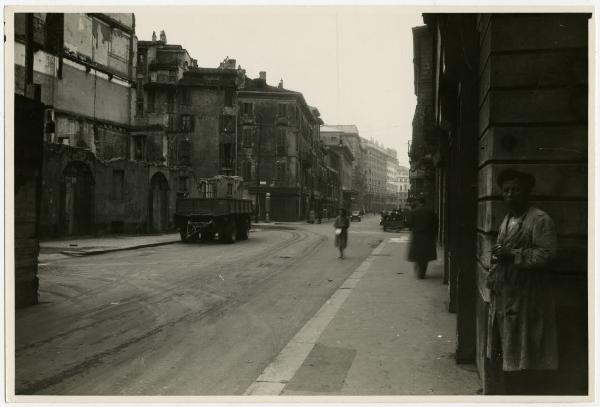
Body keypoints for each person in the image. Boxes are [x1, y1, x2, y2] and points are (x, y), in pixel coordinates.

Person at [486, 169, 558, 395]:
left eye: (516, 189)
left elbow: (547, 255)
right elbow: (502, 251)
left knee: (528, 352)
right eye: (506, 191)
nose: (510, 195)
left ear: (526, 191)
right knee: (508, 350)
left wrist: (513, 254)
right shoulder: (507, 220)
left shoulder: (540, 219)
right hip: (506, 294)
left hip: (529, 297)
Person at [406, 197, 437, 279]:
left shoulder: (414, 212)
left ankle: (418, 271)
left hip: (417, 236)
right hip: (428, 236)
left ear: (418, 202)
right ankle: (422, 273)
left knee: (417, 254)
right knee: (425, 256)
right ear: (425, 202)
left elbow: (409, 224)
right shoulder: (431, 211)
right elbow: (436, 224)